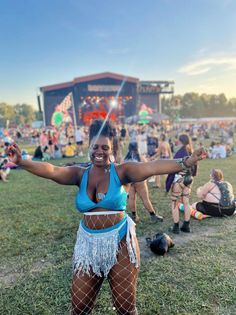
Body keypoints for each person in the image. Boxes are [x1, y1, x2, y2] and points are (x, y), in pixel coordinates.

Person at [6, 120, 205, 315]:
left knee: (125, 308)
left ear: (112, 148)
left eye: (105, 147)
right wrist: (22, 161)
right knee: (79, 307)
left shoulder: (122, 171)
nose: (99, 151)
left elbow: (152, 167)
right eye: (95, 146)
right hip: (87, 245)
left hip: (120, 243)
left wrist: (186, 161)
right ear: (88, 146)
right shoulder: (79, 173)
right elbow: (52, 170)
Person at [124, 142, 163, 223]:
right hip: (139, 180)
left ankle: (134, 216)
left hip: (129, 181)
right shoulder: (140, 157)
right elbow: (147, 167)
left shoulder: (125, 159)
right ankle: (153, 215)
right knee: (145, 198)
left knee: (131, 198)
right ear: (137, 148)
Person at [166, 134, 197, 234]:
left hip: (179, 180)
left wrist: (168, 183)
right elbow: (195, 167)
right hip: (189, 179)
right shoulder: (191, 151)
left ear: (180, 141)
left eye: (177, 140)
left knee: (174, 203)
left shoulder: (179, 153)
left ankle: (175, 227)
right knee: (186, 202)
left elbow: (172, 168)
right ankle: (186, 226)